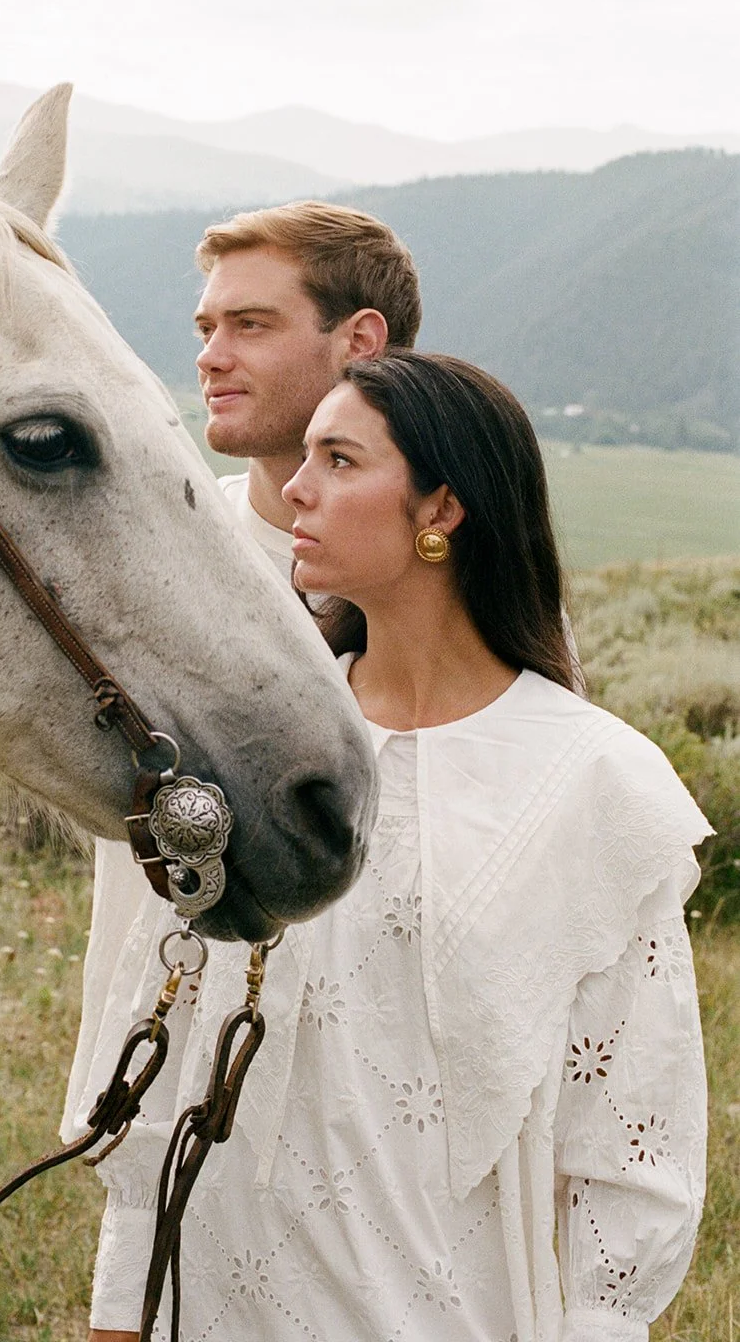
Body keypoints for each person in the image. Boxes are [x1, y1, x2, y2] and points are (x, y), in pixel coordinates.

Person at [66, 351, 709, 1342]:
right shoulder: (248, 747)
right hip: (208, 1295)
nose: (298, 487)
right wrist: (120, 1312)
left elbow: (630, 1153)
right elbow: (171, 1055)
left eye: (339, 458)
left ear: (440, 507)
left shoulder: (595, 785)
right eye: (302, 455)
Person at [192, 201, 421, 578]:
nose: (209, 358)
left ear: (360, 342)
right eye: (206, 330)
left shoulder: (460, 581)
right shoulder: (179, 541)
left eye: (250, 324)